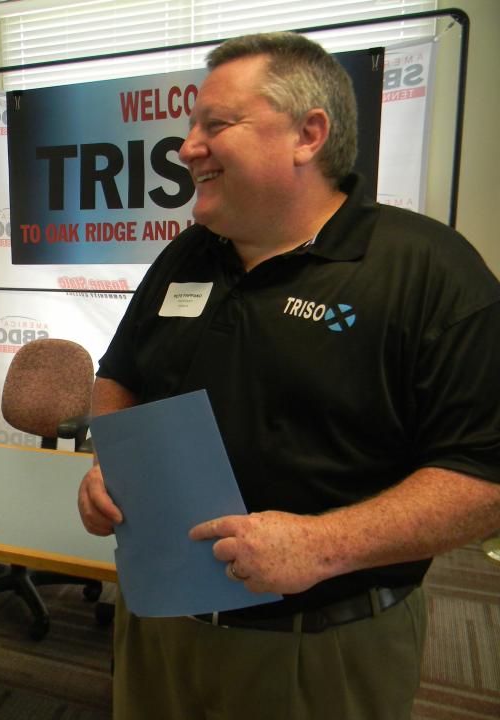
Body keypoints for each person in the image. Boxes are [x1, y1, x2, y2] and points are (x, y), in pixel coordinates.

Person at [77, 32, 500, 720]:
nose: (187, 147)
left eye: (216, 124)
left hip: (317, 647)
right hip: (158, 624)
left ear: (309, 134)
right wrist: (114, 465)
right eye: (190, 126)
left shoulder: (428, 272)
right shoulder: (187, 255)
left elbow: (483, 480)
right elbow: (119, 372)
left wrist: (322, 546)